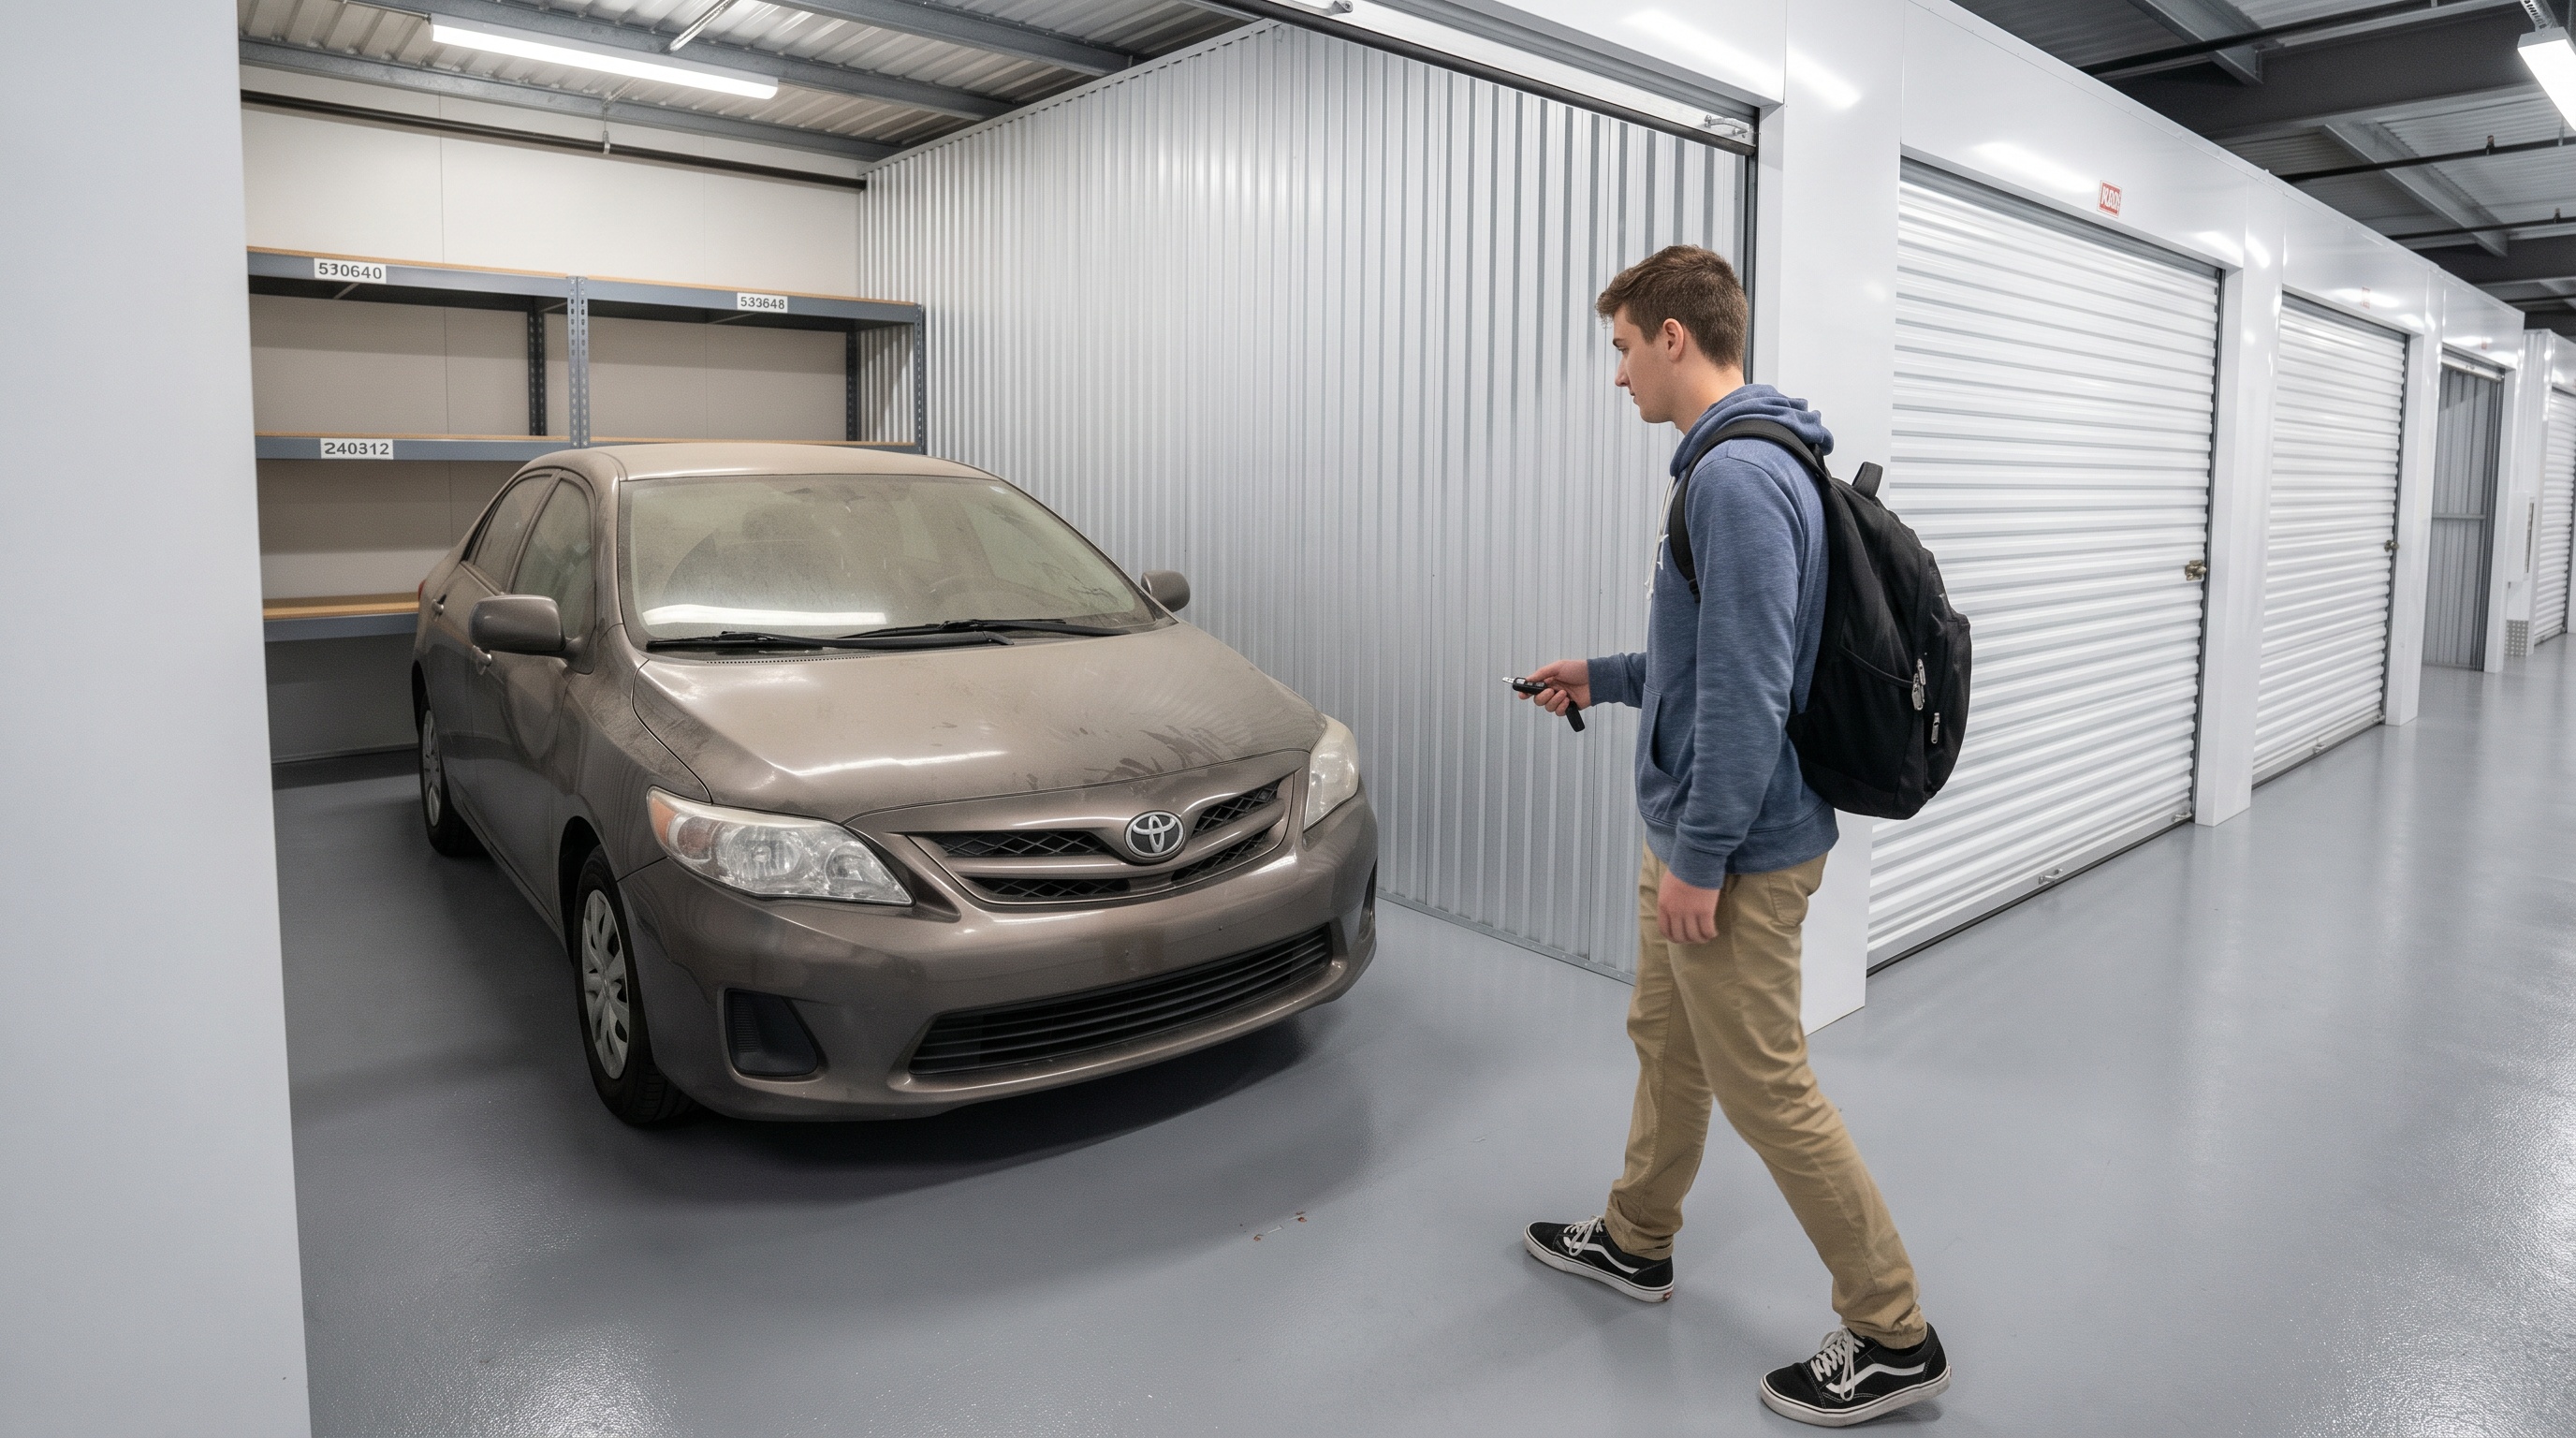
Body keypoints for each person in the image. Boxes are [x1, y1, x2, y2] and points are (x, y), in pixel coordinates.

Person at [1515, 245, 1950, 1428]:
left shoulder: (1737, 479)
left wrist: (1701, 860)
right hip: (1702, 829)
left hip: (1739, 850)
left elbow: (1754, 688)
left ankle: (1891, 1330)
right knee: (1666, 1040)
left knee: (1766, 1086)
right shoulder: (1733, 464)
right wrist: (1602, 677)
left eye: (1619, 347)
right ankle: (1634, 1240)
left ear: (1671, 336)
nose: (1615, 376)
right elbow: (1709, 661)